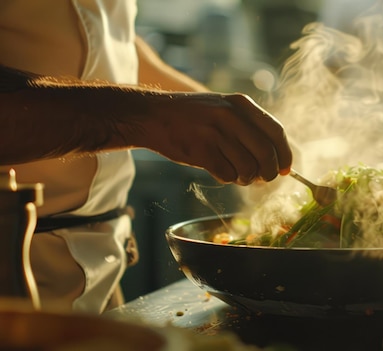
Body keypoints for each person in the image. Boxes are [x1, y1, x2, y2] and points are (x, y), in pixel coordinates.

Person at [0, 0, 292, 313]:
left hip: (106, 270)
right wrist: (150, 116)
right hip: (16, 275)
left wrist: (231, 124)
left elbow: (114, 41)